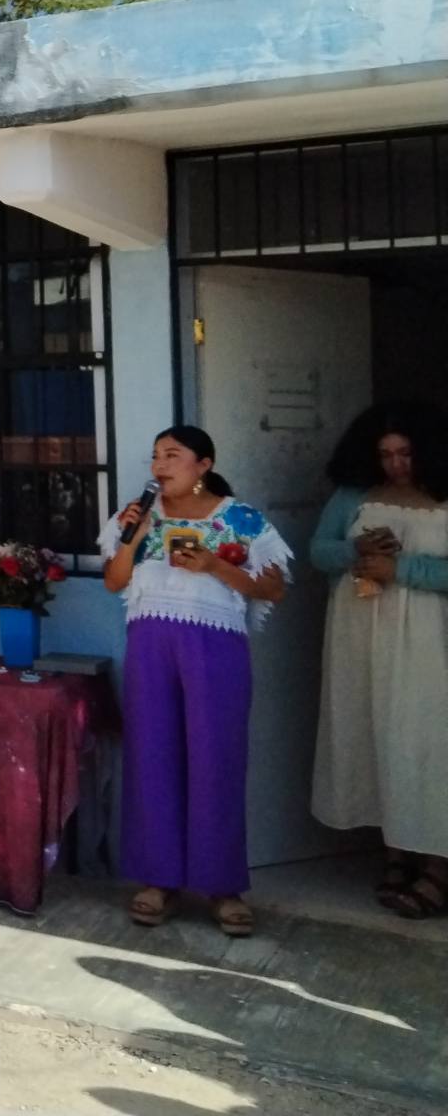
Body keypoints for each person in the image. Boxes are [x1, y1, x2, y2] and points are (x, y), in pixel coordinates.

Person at [104, 425, 290, 938]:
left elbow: (274, 589)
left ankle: (222, 886)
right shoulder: (137, 516)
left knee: (216, 759)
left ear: (203, 464)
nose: (160, 466)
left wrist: (214, 566)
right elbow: (115, 581)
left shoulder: (239, 518)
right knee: (152, 755)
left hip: (216, 646)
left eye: (173, 455)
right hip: (150, 644)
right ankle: (158, 880)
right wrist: (135, 538)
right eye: (156, 456)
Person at [309, 401, 448, 919]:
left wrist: (402, 568)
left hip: (430, 642)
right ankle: (397, 850)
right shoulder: (353, 496)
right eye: (386, 455)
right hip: (362, 636)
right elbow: (318, 550)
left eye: (406, 453)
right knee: (377, 739)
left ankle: (438, 865)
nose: (396, 465)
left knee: (428, 745)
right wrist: (357, 550)